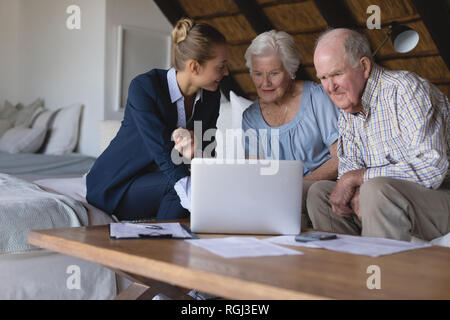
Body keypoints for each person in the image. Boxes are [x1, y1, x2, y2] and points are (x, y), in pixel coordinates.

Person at [307, 28, 450, 241]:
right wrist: (355, 187)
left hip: (441, 197)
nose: (330, 87)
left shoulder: (406, 90)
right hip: (388, 199)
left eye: (337, 74)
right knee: (320, 194)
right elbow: (349, 170)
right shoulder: (348, 108)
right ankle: (345, 269)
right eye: (324, 78)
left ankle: (380, 271)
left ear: (364, 66)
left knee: (376, 190)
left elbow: (433, 167)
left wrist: (361, 179)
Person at [86, 18, 229, 221]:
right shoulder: (145, 87)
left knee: (201, 184)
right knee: (181, 186)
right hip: (117, 185)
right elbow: (162, 150)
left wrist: (201, 159)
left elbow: (207, 151)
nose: (226, 72)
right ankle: (161, 246)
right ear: (195, 67)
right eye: (221, 66)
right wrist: (198, 196)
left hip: (158, 181)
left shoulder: (211, 95)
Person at [242, 30, 340, 229]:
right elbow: (255, 172)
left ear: (291, 70)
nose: (265, 83)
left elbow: (340, 158)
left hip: (319, 190)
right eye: (258, 73)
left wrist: (298, 186)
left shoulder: (317, 98)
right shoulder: (250, 117)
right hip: (277, 196)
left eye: (274, 73)